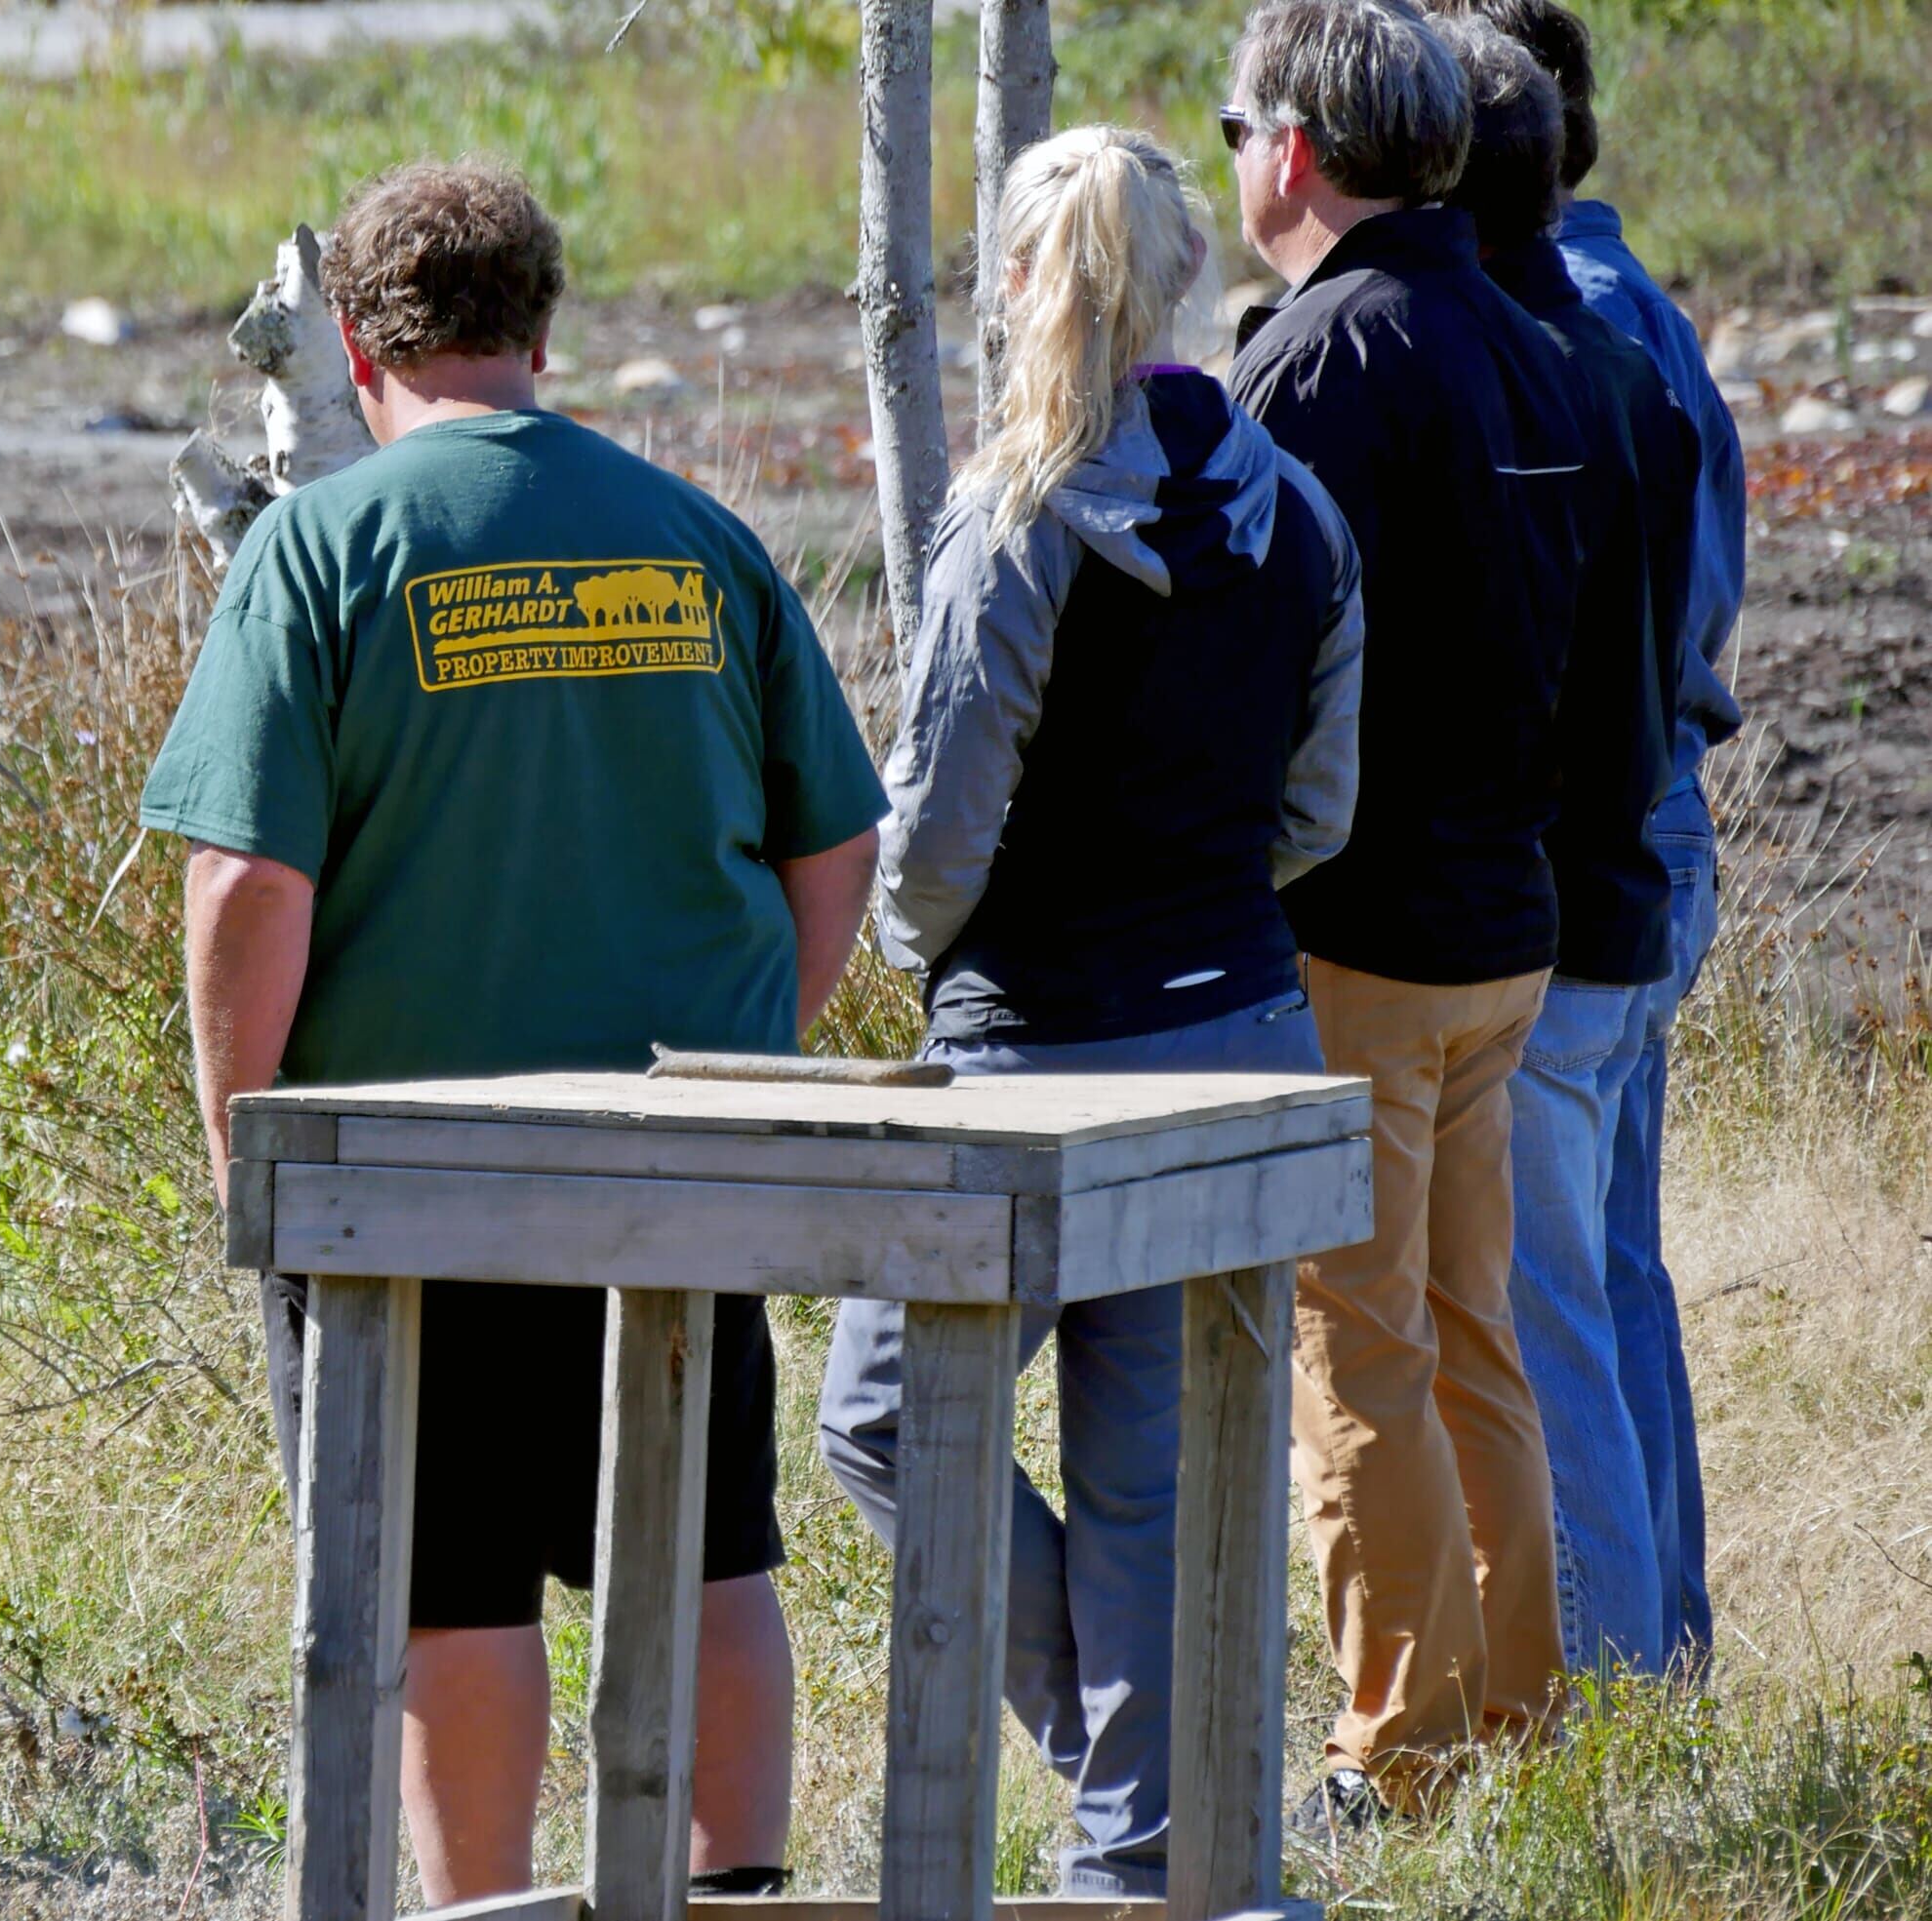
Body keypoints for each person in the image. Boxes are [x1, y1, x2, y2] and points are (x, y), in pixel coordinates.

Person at [138, 160, 885, 1906]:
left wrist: (249, 1142)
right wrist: (753, 1043)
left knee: (450, 1581)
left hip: (417, 1181)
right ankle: (732, 1894)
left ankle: (487, 1907)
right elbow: (838, 842)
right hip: (680, 1159)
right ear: (546, 329)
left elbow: (246, 884)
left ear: (352, 338)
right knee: (703, 1548)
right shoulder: (697, 537)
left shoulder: (323, 548)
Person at [822, 125, 1363, 1899]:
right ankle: (1152, 1840)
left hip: (1041, 1051)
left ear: (1013, 289)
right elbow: (1317, 813)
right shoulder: (1298, 508)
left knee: (885, 1420)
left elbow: (935, 848)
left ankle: (1134, 1801)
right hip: (1245, 1036)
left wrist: (924, 955)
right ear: (1187, 278)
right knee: (1152, 1482)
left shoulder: (1016, 518)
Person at [1221, 0, 1592, 1824]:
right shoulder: (1535, 342)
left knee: (1363, 1348)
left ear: (1292, 151)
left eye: (1236, 130)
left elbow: (1233, 655)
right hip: (1505, 922)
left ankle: (1399, 1757)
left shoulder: (1321, 360)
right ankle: (1515, 1718)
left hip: (1364, 931)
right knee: (1470, 1332)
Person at [1438, 0, 1739, 1681]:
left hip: (1603, 835)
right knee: (1610, 1275)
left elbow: (1643, 629)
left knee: (1562, 1293)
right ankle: (1663, 1647)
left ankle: (1622, 1677)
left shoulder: (1584, 328)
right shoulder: (1640, 317)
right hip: (1650, 827)